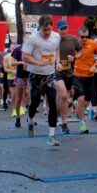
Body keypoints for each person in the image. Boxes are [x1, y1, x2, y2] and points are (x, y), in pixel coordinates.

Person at [22, 15, 62, 145]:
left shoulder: (56, 36)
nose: (47, 32)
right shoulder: (32, 39)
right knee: (35, 102)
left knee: (53, 102)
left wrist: (58, 62)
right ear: (40, 27)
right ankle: (30, 119)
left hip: (50, 75)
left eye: (49, 29)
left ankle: (51, 136)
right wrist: (38, 63)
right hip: (36, 75)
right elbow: (25, 57)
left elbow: (56, 49)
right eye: (45, 29)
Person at [55, 19, 82, 133]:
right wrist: (57, 63)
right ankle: (64, 123)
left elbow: (81, 52)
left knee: (62, 98)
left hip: (70, 72)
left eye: (65, 28)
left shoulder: (73, 39)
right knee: (64, 96)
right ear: (58, 29)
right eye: (61, 29)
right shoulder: (54, 40)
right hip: (57, 71)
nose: (64, 31)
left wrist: (75, 57)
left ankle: (56, 115)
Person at [73, 26, 97, 130]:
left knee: (86, 103)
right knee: (81, 99)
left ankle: (78, 108)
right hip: (77, 76)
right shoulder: (74, 44)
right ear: (78, 36)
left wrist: (95, 65)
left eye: (86, 37)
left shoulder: (93, 43)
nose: (84, 39)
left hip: (89, 76)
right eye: (82, 37)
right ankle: (82, 123)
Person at [10, 33, 31, 128]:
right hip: (20, 76)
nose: (28, 40)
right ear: (23, 38)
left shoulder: (33, 49)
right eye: (27, 38)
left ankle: (31, 118)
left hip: (31, 75)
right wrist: (20, 62)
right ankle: (18, 118)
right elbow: (12, 62)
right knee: (18, 97)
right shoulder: (18, 49)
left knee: (31, 96)